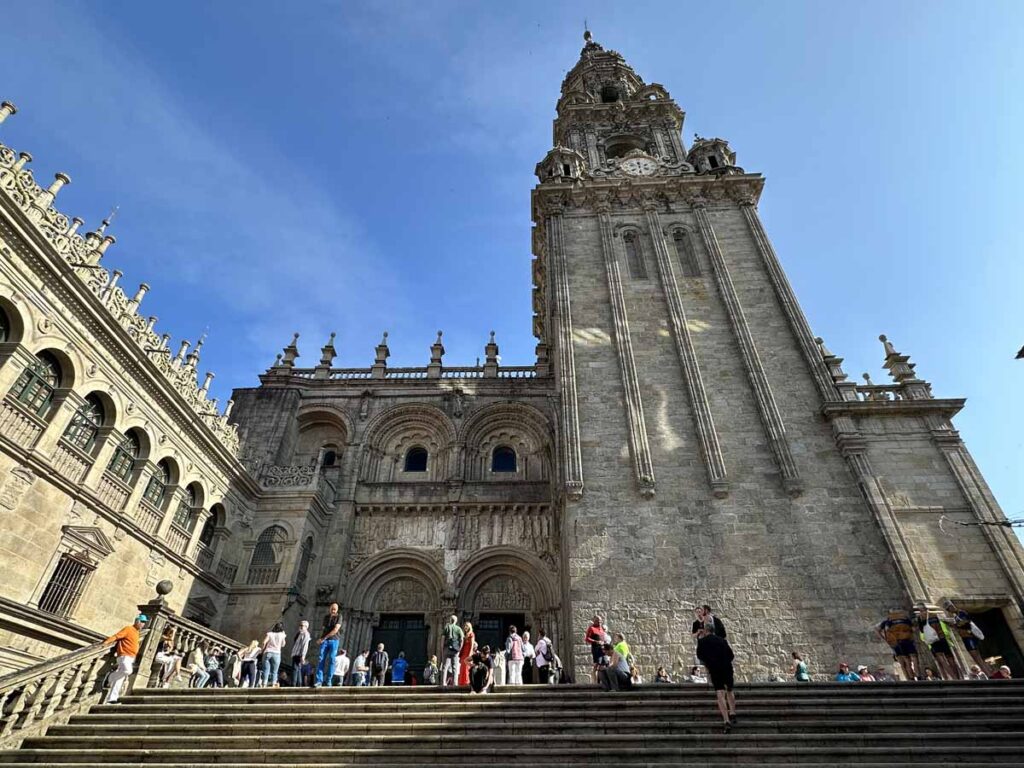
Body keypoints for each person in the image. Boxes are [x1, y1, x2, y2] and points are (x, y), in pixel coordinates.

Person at [695, 622, 736, 733]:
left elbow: (700, 656)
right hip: (726, 667)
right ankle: (732, 712)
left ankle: (726, 720)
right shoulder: (722, 641)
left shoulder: (702, 642)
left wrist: (709, 664)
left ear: (706, 630)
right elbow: (731, 655)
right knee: (730, 689)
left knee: (720, 693)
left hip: (714, 669)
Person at [102, 614, 147, 704]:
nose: (143, 624)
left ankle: (111, 699)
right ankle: (109, 677)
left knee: (120, 679)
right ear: (137, 621)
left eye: (144, 622)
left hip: (131, 657)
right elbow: (117, 636)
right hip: (124, 655)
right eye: (142, 622)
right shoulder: (128, 629)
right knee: (128, 671)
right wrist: (106, 642)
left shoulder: (137, 632)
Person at [943, 599, 990, 676]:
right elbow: (959, 626)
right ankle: (988, 673)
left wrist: (955, 624)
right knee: (976, 658)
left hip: (969, 637)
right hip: (965, 637)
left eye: (949, 608)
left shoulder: (961, 613)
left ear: (952, 606)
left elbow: (965, 622)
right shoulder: (956, 616)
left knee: (977, 657)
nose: (949, 611)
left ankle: (989, 674)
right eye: (948, 610)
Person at [915, 604, 960, 681]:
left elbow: (922, 630)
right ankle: (958, 677)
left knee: (941, 659)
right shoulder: (935, 614)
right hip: (942, 637)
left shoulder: (920, 617)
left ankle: (953, 677)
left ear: (919, 610)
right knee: (950, 658)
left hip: (933, 639)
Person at [876, 607, 918, 681]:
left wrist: (884, 638)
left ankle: (910, 678)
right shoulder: (888, 621)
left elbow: (877, 629)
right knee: (906, 661)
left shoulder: (888, 621)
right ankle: (911, 677)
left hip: (898, 642)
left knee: (905, 661)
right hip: (899, 642)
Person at [314, 603, 341, 688]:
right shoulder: (326, 617)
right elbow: (324, 629)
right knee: (321, 659)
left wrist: (323, 638)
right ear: (329, 608)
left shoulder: (339, 617)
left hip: (334, 640)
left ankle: (329, 680)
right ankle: (319, 681)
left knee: (332, 659)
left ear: (337, 610)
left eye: (335, 609)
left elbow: (336, 629)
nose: (333, 610)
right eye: (332, 609)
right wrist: (320, 638)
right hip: (325, 640)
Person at [440, 615, 464, 687]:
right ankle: (455, 683)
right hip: (455, 649)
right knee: (454, 666)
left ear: (450, 620)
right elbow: (462, 639)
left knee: (445, 666)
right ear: (456, 621)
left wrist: (442, 648)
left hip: (447, 648)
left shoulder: (446, 627)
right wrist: (460, 648)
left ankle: (443, 682)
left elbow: (443, 638)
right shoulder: (458, 629)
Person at [260, 622, 287, 688]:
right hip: (277, 653)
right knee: (275, 671)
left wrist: (262, 650)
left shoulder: (270, 634)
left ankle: (264, 684)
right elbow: (283, 644)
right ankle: (273, 684)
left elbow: (264, 642)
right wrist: (283, 635)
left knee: (266, 669)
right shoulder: (282, 635)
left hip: (268, 652)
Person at [584, 615, 606, 683]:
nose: (599, 622)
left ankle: (602, 680)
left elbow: (603, 637)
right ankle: (595, 682)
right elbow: (587, 638)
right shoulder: (591, 628)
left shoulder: (602, 628)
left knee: (603, 664)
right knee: (596, 664)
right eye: (597, 621)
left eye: (600, 621)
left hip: (603, 649)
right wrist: (595, 641)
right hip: (596, 649)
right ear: (594, 621)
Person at [290, 620, 311, 687]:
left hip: (299, 654)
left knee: (295, 669)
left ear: (306, 627)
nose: (300, 627)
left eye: (302, 626)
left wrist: (303, 656)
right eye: (300, 625)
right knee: (298, 669)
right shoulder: (300, 633)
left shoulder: (306, 634)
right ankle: (299, 684)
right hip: (295, 653)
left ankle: (293, 685)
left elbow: (305, 645)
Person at [457, 622, 476, 686]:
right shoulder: (465, 634)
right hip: (463, 653)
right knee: (462, 667)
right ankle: (462, 682)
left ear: (469, 627)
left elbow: (472, 645)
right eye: (465, 626)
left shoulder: (471, 634)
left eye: (467, 626)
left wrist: (470, 654)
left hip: (468, 653)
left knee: (466, 668)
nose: (465, 627)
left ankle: (466, 682)